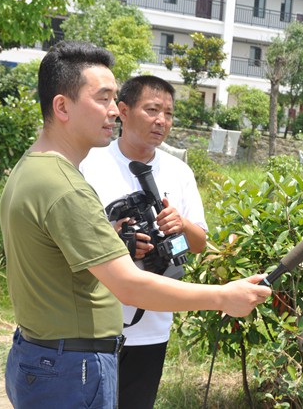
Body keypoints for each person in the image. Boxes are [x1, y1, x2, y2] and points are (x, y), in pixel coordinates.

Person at [0, 41, 271, 409]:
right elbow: (128, 285)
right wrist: (223, 296)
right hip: (71, 366)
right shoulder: (65, 185)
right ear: (62, 106)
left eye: (114, 99)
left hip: (44, 353)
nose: (114, 111)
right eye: (103, 99)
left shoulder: (31, 167)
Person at [80, 75, 207, 409]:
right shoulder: (89, 164)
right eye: (152, 109)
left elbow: (199, 243)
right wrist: (118, 240)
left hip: (152, 327)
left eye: (168, 113)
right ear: (123, 110)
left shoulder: (180, 172)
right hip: (93, 325)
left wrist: (181, 224)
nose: (161, 120)